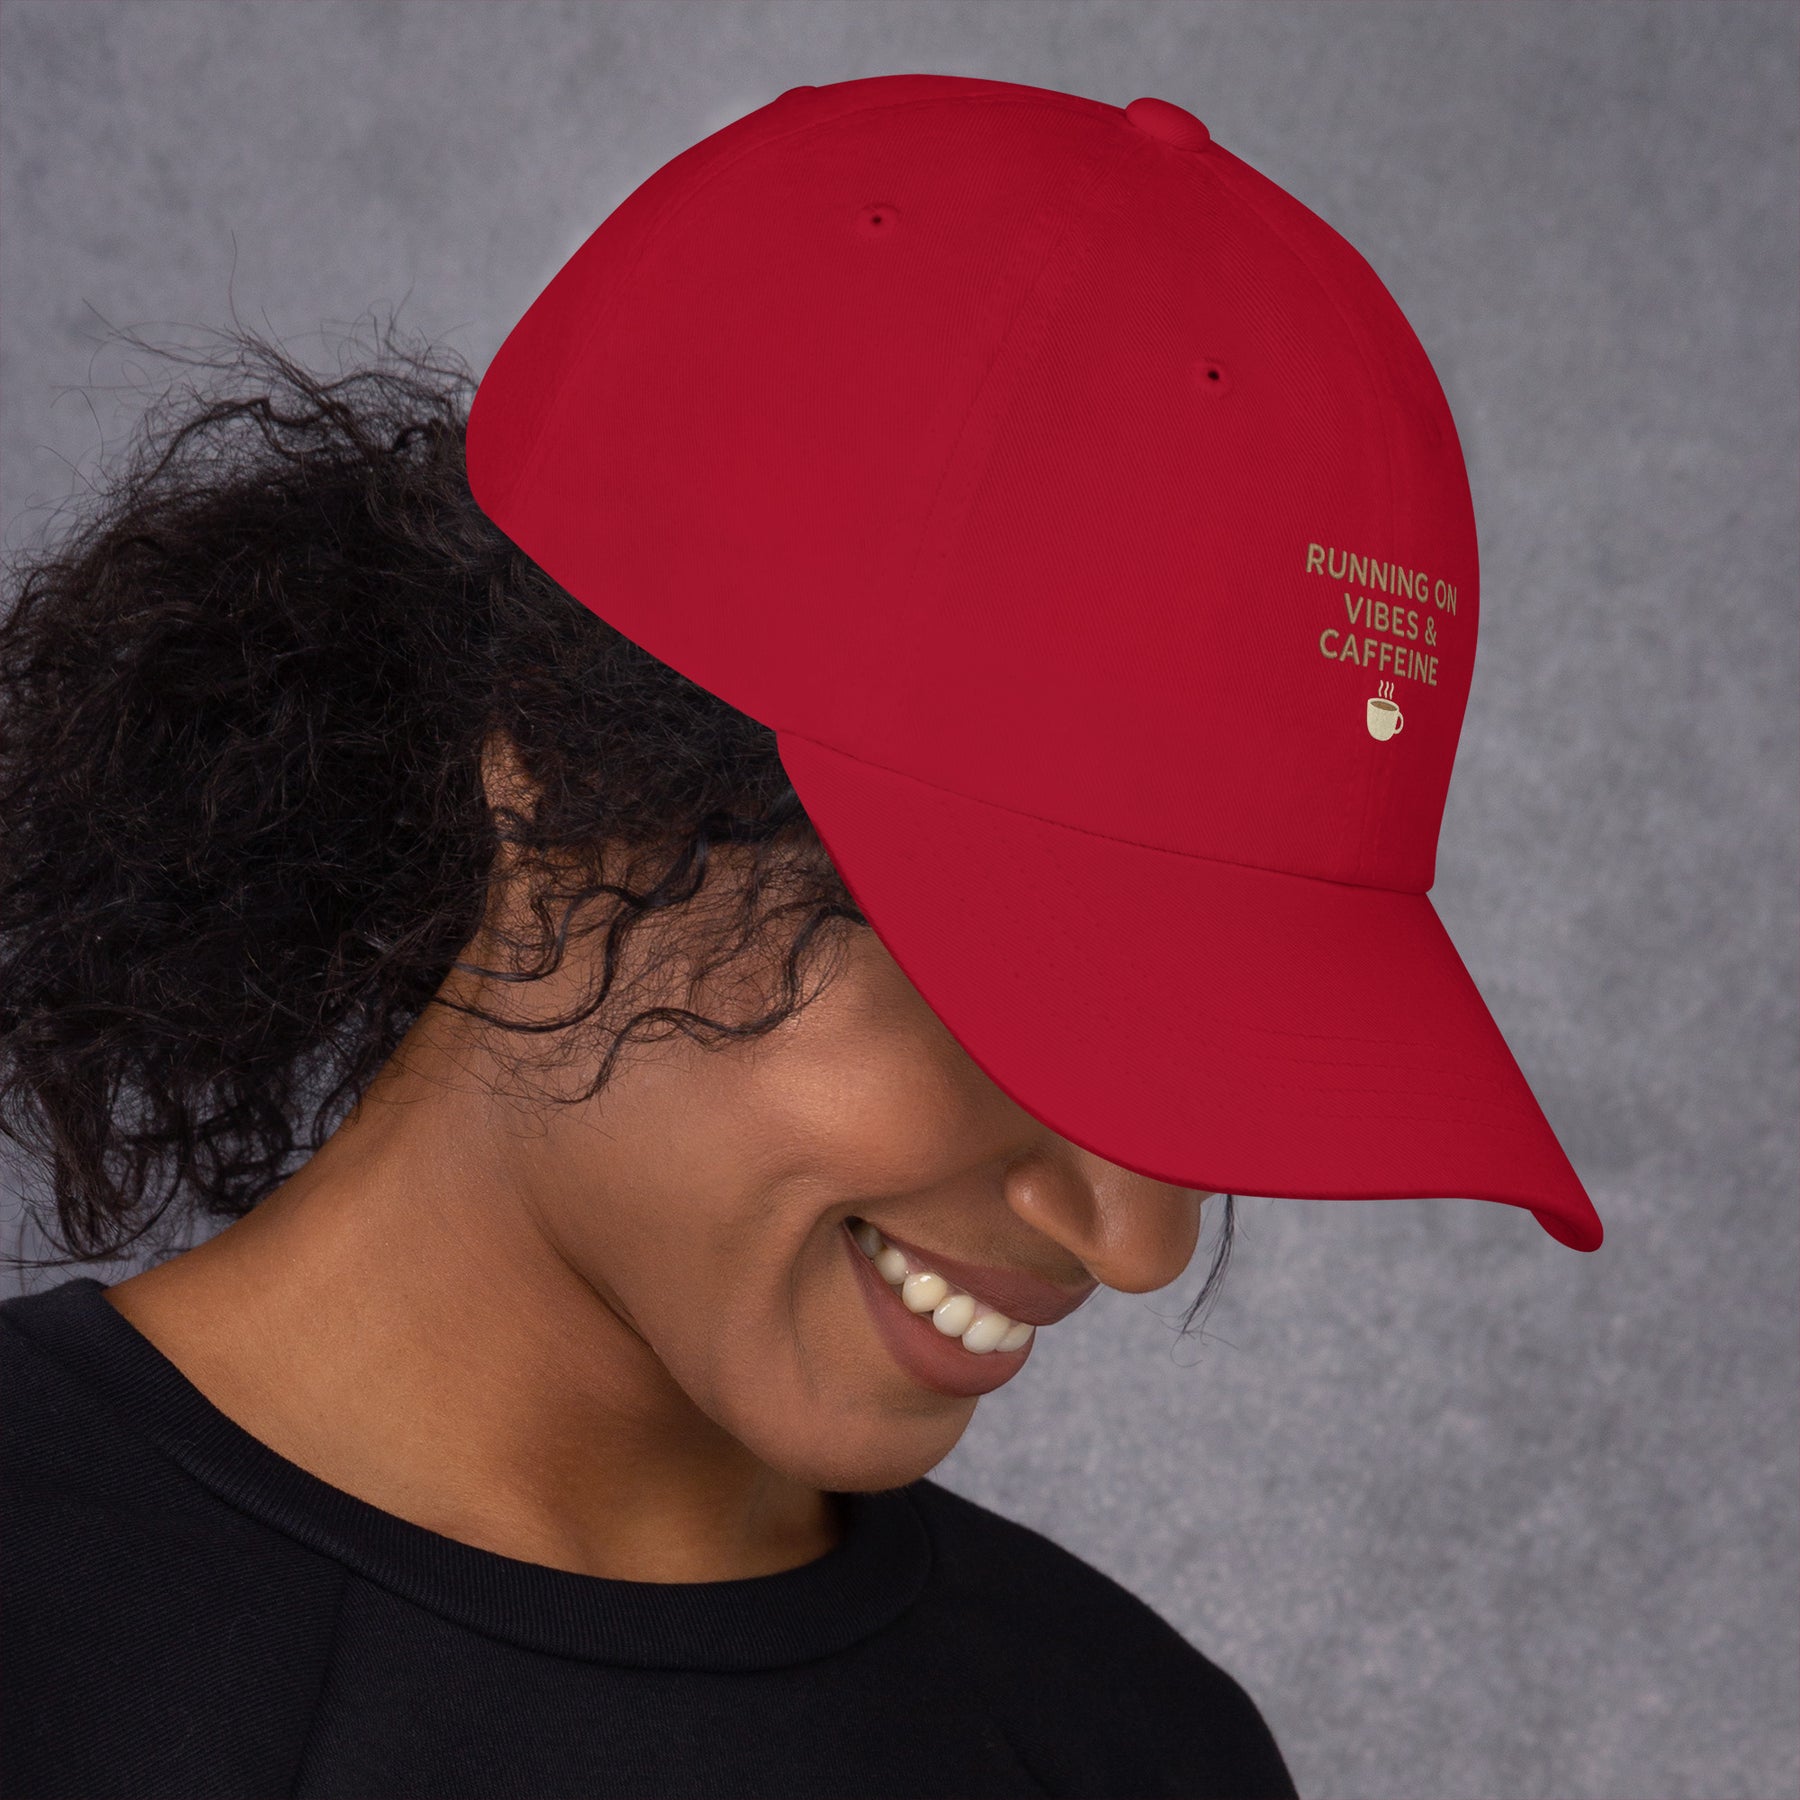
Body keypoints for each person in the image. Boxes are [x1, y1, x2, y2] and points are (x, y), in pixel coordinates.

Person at [0, 73, 1600, 1800]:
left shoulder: (1138, 1750)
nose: (1139, 1239)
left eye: (1209, 1062)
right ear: (552, 777)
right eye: (1031, 998)